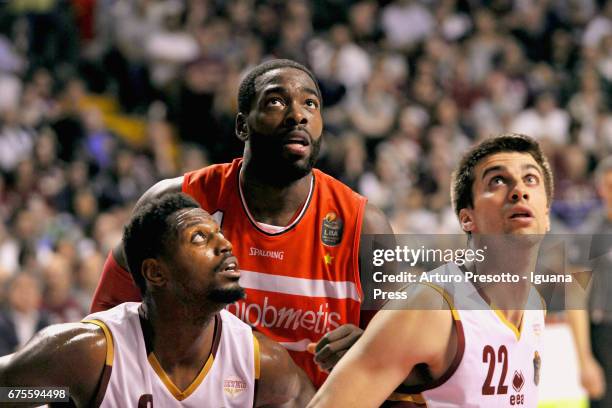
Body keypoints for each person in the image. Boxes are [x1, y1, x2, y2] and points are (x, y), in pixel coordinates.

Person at [90, 59, 392, 387]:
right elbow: (103, 328)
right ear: (242, 125)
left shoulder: (366, 226)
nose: (298, 115)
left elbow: (403, 361)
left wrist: (371, 349)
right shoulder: (175, 202)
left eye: (310, 104)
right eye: (276, 101)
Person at [0, 193, 314, 407]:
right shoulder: (91, 353)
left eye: (219, 233)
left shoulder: (262, 364)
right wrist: (55, 397)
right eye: (200, 237)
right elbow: (10, 391)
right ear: (156, 272)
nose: (225, 245)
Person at [308, 134, 551, 407]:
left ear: (547, 213)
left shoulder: (535, 306)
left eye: (531, 178)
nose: (519, 190)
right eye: (497, 180)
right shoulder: (429, 308)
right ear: (466, 218)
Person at [567, 156, 612, 407]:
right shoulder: (589, 233)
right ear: (601, 189)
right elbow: (575, 298)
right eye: (610, 186)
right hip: (605, 334)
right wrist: (584, 360)